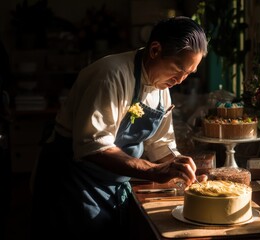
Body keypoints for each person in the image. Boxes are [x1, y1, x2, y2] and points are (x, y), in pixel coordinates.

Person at [30, 16, 208, 239]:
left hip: (113, 185)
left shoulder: (163, 86)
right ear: (155, 50)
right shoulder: (111, 75)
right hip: (74, 184)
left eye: (189, 73)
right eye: (178, 69)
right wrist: (153, 171)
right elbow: (94, 147)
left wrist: (178, 166)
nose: (181, 80)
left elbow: (159, 144)